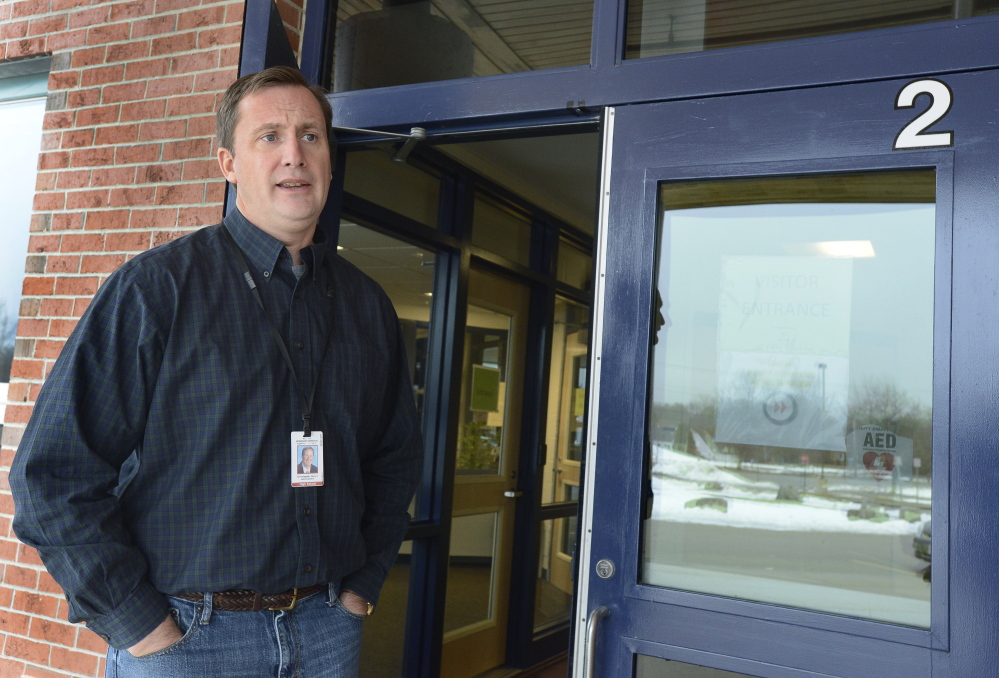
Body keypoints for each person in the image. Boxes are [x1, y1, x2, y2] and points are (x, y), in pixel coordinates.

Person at [9, 66, 423, 677]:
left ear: (330, 163)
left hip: (328, 630)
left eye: (311, 136)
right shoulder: (156, 291)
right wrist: (139, 626)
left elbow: (394, 461)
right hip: (187, 640)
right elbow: (52, 475)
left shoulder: (367, 305)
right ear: (227, 162)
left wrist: (361, 586)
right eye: (270, 136)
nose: (294, 155)